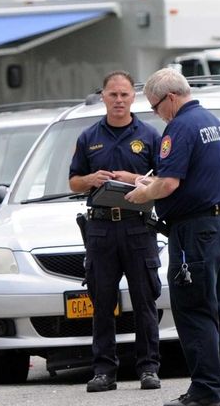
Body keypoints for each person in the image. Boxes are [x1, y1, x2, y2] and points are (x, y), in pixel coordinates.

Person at [125, 68, 220, 406]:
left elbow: (169, 184)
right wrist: (151, 183)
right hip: (218, 226)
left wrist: (142, 194)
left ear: (170, 98)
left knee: (194, 312)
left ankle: (205, 392)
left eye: (156, 107)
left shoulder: (181, 127)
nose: (157, 115)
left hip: (193, 232)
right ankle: (218, 390)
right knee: (215, 312)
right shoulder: (214, 122)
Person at [69, 70, 162, 393]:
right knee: (102, 300)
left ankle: (149, 368)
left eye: (124, 94)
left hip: (137, 227)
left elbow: (165, 182)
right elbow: (73, 182)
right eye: (113, 95)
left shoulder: (150, 136)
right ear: (103, 97)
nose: (119, 100)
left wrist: (133, 179)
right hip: (101, 228)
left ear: (132, 97)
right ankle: (104, 371)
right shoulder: (88, 137)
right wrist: (91, 179)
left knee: (144, 299)